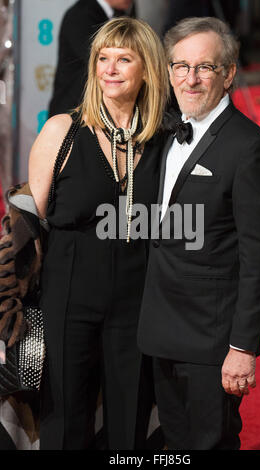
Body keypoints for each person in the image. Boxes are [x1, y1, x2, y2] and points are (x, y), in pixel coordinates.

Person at [137, 17, 260, 450]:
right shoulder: (162, 132)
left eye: (205, 67)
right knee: (171, 441)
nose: (191, 78)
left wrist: (243, 346)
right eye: (180, 66)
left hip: (211, 339)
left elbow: (259, 256)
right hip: (158, 327)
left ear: (229, 73)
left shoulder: (249, 148)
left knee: (209, 442)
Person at [29, 17, 169, 450]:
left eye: (123, 59)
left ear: (147, 68)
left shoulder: (166, 139)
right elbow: (27, 228)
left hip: (137, 296)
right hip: (67, 293)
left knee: (129, 420)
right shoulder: (61, 131)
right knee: (65, 418)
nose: (109, 69)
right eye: (102, 59)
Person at [48, 0, 135, 117]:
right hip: (74, 111)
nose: (111, 69)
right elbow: (93, 59)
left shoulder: (123, 15)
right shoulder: (81, 15)